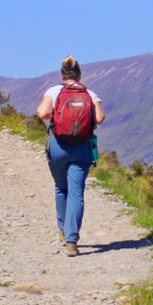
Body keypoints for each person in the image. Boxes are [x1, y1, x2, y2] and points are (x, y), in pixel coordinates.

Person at [36, 56, 106, 257]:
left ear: (62, 75)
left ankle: (62, 229)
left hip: (58, 145)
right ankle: (71, 241)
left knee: (60, 187)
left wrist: (59, 116)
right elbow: (99, 119)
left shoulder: (53, 91)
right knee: (77, 192)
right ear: (80, 75)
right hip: (82, 147)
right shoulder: (90, 94)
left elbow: (42, 113)